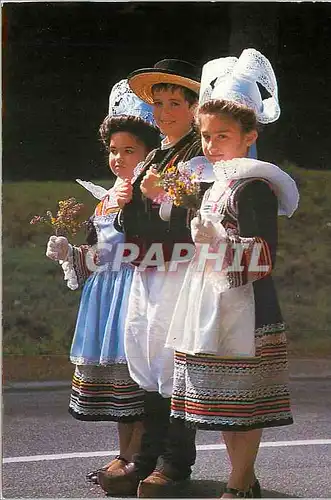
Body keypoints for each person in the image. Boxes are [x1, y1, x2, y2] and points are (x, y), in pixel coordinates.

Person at [165, 49, 299, 498]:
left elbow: (263, 255)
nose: (211, 144)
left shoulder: (253, 186)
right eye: (205, 136)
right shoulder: (215, 183)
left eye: (222, 135)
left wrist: (219, 243)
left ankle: (240, 482)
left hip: (245, 302)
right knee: (224, 403)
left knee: (243, 400)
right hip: (211, 297)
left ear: (248, 138)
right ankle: (245, 478)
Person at [97, 59, 205, 498]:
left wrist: (155, 204)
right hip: (148, 268)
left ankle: (174, 463)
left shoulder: (198, 155)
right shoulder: (159, 153)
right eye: (158, 103)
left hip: (179, 268)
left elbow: (190, 221)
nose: (163, 112)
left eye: (174, 103)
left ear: (196, 107)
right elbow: (124, 219)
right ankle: (145, 458)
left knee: (172, 362)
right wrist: (138, 206)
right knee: (144, 356)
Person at [45, 80, 160, 486]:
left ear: (148, 152)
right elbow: (99, 256)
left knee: (135, 380)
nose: (118, 157)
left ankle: (139, 458)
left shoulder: (149, 196)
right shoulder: (104, 199)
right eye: (114, 150)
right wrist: (71, 253)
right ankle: (123, 452)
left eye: (129, 150)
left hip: (134, 293)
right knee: (116, 387)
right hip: (105, 298)